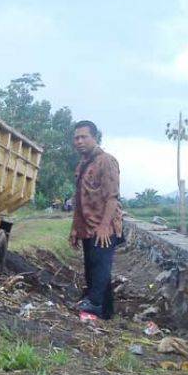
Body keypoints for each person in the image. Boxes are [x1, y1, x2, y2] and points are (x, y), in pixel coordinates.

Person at [69, 120, 123, 319]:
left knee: (100, 268)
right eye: (76, 138)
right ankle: (105, 312)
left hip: (103, 228)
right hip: (87, 227)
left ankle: (94, 306)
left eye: (84, 137)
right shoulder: (82, 165)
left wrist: (103, 226)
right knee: (94, 270)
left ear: (95, 138)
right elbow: (79, 199)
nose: (79, 141)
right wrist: (75, 228)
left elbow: (112, 198)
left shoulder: (106, 161)